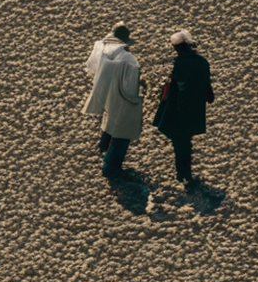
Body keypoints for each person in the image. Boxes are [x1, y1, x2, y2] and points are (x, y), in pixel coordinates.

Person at [83, 22, 147, 178]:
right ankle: (112, 166)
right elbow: (130, 83)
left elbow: (93, 69)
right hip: (121, 94)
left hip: (106, 90)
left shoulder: (104, 49)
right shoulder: (127, 57)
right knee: (122, 129)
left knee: (109, 120)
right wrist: (137, 94)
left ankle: (104, 147)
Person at [152, 29, 214, 183]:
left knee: (180, 144)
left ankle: (183, 174)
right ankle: (186, 173)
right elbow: (208, 88)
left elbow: (181, 88)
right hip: (196, 110)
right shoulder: (202, 62)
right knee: (186, 141)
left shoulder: (179, 63)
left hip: (180, 111)